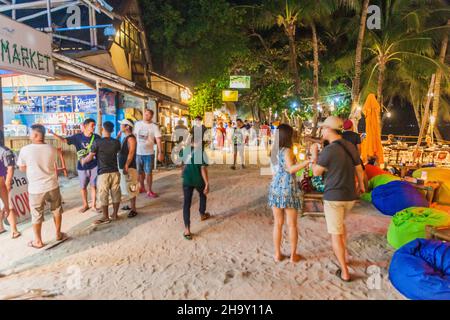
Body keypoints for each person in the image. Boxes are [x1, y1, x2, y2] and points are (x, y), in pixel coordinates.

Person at [310, 116, 365, 282]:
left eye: (323, 128)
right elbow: (359, 169)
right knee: (340, 226)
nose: (321, 131)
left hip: (334, 197)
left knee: (335, 234)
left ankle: (345, 272)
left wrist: (314, 154)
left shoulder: (329, 150)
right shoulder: (350, 146)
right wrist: (361, 185)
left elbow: (316, 172)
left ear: (329, 129)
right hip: (350, 197)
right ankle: (346, 255)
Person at [17, 124, 64, 249]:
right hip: (52, 185)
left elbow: (22, 168)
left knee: (37, 214)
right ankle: (58, 234)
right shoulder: (52, 148)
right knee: (57, 210)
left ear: (36, 134)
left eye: (30, 133)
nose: (29, 135)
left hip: (36, 188)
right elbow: (53, 164)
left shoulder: (25, 150)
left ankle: (38, 241)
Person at [268, 124, 309, 263]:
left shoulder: (273, 151)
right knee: (292, 224)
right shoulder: (288, 151)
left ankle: (277, 254)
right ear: (288, 136)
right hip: (288, 188)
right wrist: (306, 162)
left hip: (275, 187)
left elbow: (273, 172)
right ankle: (293, 256)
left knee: (277, 224)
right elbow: (291, 169)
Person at [50, 118, 100, 213]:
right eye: (92, 125)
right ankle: (85, 205)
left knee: (93, 186)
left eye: (94, 125)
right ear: (85, 126)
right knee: (83, 187)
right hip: (82, 167)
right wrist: (53, 133)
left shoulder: (97, 137)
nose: (94, 127)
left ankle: (93, 205)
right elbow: (65, 140)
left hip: (94, 165)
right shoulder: (77, 137)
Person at [81, 122, 121, 224]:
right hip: (115, 172)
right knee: (115, 193)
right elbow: (115, 149)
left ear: (103, 130)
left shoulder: (97, 142)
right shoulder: (116, 142)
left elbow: (90, 157)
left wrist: (83, 160)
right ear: (112, 131)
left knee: (103, 194)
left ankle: (105, 216)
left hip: (103, 173)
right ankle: (115, 215)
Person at [181, 126, 211, 240]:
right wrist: (207, 183)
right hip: (198, 180)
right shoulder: (201, 152)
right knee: (203, 194)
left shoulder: (185, 150)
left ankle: (187, 230)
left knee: (186, 204)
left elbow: (182, 163)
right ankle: (202, 213)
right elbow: (203, 169)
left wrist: (183, 173)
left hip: (187, 180)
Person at [134, 109, 164, 198]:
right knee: (139, 172)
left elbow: (158, 139)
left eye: (148, 115)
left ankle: (149, 190)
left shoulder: (154, 126)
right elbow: (135, 136)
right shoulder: (137, 124)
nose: (146, 116)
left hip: (149, 153)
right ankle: (142, 187)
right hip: (138, 152)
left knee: (148, 172)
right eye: (145, 114)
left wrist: (160, 152)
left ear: (151, 116)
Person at [0, 135, 21, 239]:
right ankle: (1, 227)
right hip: (2, 183)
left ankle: (14, 230)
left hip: (4, 184)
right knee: (4, 206)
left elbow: (10, 168)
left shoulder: (5, 151)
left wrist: (8, 183)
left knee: (9, 206)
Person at [118, 119, 139, 218]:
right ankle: (131, 206)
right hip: (125, 166)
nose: (120, 126)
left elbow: (131, 152)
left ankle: (134, 209)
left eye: (122, 125)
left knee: (132, 187)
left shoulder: (131, 138)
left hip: (130, 167)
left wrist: (126, 165)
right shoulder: (125, 137)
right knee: (127, 186)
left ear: (127, 127)